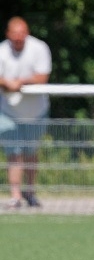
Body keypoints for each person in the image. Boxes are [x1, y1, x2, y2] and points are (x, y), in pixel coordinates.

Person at [0, 17, 52, 209]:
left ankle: (30, 192)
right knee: (14, 153)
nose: (18, 39)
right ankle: (15, 196)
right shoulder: (2, 51)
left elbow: (42, 77)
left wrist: (20, 82)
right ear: (8, 34)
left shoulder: (39, 48)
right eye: (15, 35)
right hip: (8, 112)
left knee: (31, 153)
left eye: (21, 35)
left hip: (36, 112)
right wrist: (7, 83)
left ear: (27, 33)